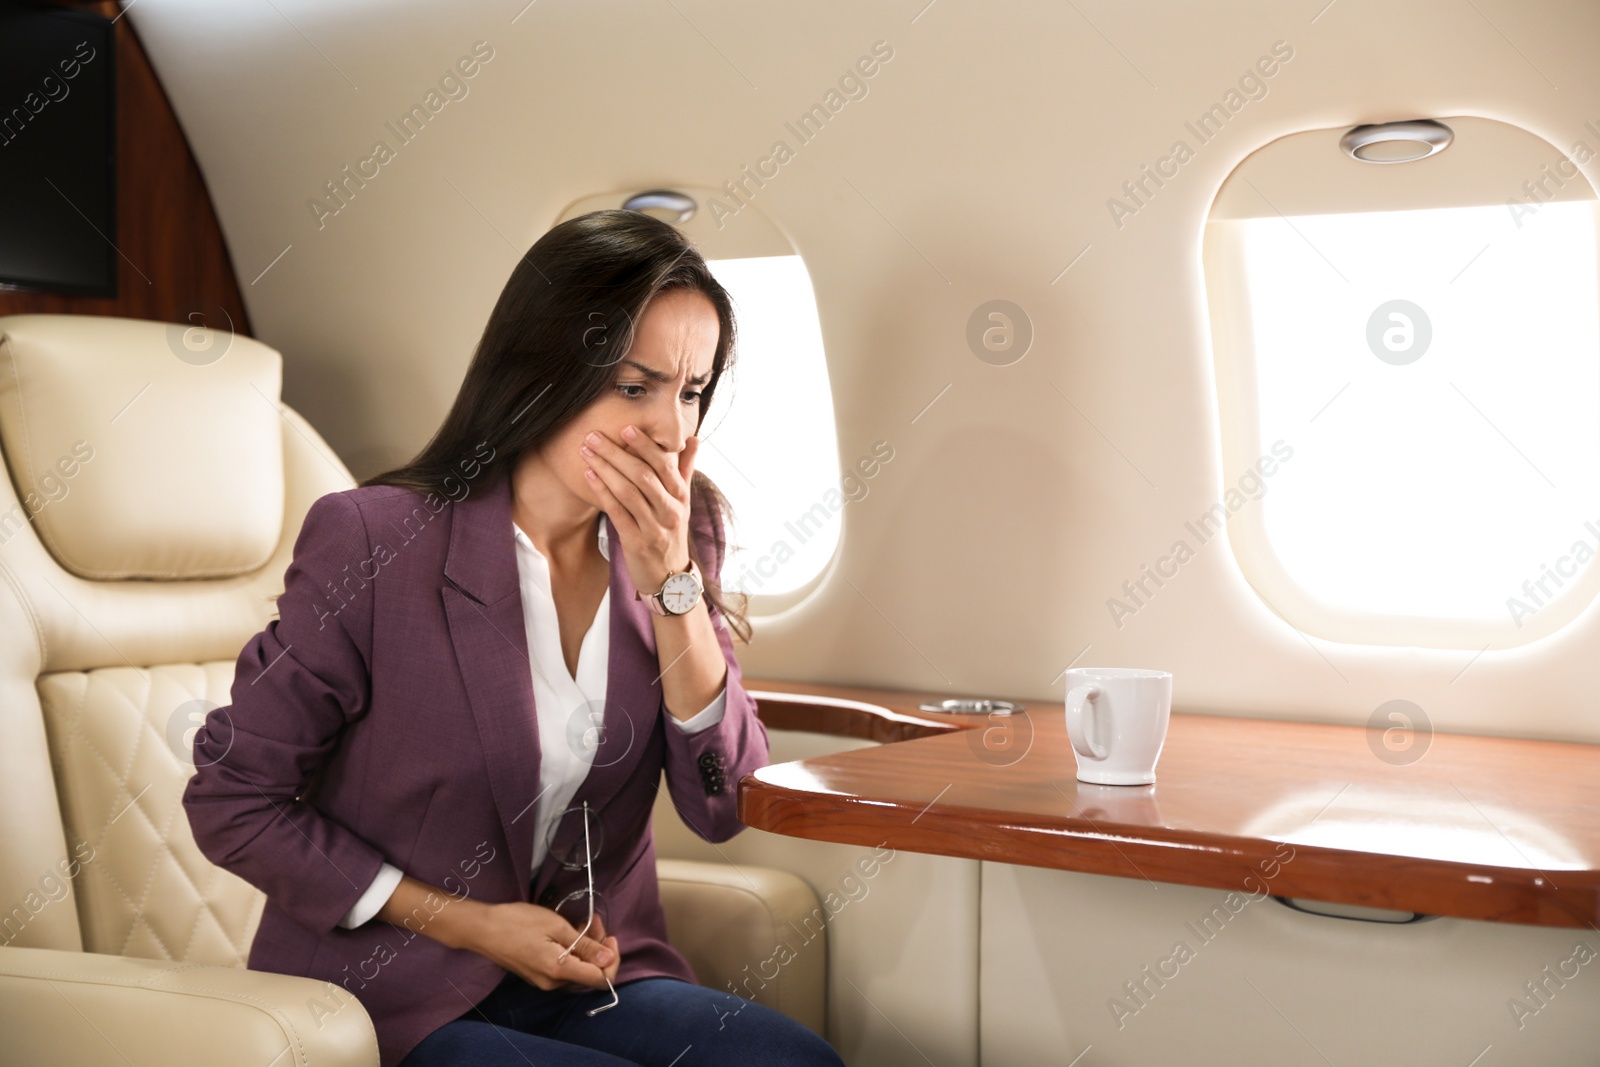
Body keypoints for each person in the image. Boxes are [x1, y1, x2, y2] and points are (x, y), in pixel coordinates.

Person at [182, 210, 846, 1067]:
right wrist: (474, 924)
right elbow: (232, 800)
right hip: (394, 991)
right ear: (544, 372)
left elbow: (723, 806)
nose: (671, 431)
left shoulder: (687, 530)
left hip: (592, 977)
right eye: (635, 386)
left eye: (690, 392)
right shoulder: (376, 542)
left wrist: (672, 586)